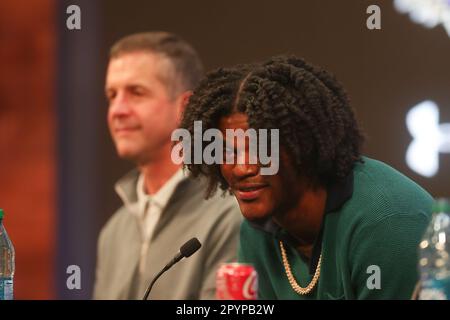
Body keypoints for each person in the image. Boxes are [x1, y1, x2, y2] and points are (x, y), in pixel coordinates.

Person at [179, 55, 433, 299]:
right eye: (226, 151)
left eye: (263, 149)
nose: (242, 168)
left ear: (303, 145)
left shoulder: (388, 220)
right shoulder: (257, 231)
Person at [93, 32, 241, 300]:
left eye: (136, 93)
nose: (117, 109)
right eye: (112, 95)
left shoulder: (230, 215)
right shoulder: (114, 231)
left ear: (185, 107)